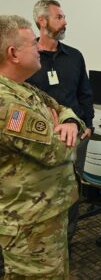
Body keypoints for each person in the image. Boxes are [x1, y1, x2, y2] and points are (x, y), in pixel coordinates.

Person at [0, 15, 85, 278]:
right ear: (13, 53)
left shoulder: (25, 89)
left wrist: (68, 121)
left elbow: (64, 108)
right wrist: (68, 128)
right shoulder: (5, 104)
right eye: (32, 43)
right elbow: (58, 150)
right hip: (29, 226)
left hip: (46, 215)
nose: (39, 47)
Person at [26, 0, 94, 248]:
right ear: (41, 21)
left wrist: (88, 123)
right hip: (39, 141)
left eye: (64, 17)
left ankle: (66, 248)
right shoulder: (28, 57)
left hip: (74, 137)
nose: (65, 22)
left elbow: (85, 92)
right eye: (59, 17)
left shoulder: (74, 56)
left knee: (71, 194)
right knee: (42, 196)